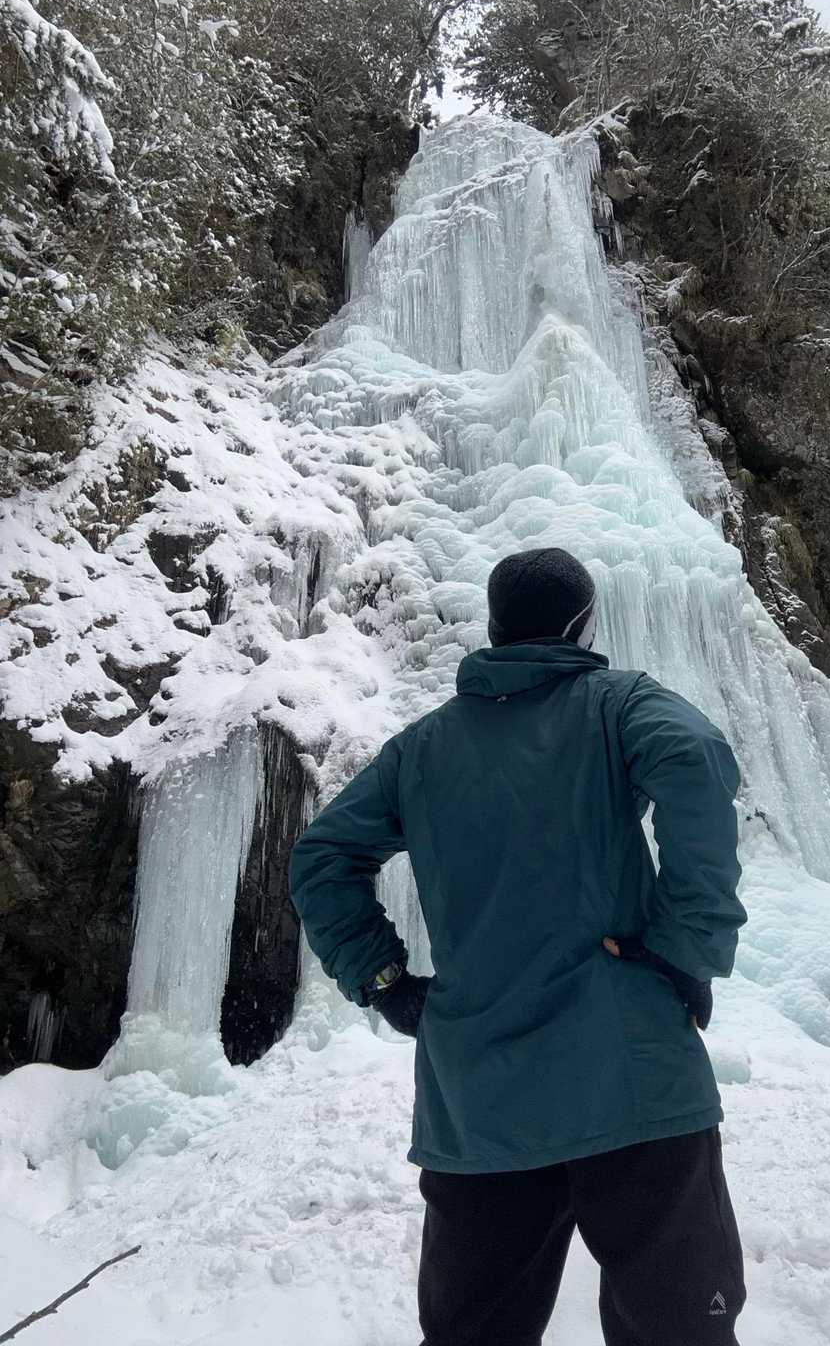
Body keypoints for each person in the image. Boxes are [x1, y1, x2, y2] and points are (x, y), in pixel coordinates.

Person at [290, 546, 748, 1346]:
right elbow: (694, 756)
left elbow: (321, 858)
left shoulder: (422, 749)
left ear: (495, 628)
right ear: (582, 625)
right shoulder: (618, 704)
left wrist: (385, 981)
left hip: (481, 1106)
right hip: (633, 1081)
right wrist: (684, 947)